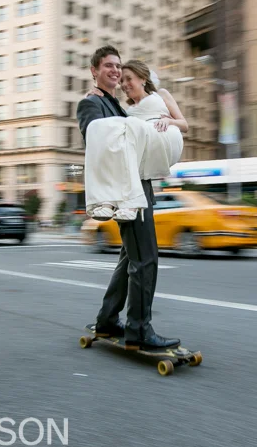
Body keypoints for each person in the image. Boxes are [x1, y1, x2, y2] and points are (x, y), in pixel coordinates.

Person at [76, 45, 181, 350]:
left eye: (118, 66)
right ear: (94, 71)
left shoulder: (120, 106)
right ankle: (138, 329)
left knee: (128, 259)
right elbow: (95, 138)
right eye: (108, 66)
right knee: (145, 258)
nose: (115, 71)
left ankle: (108, 318)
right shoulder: (91, 104)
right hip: (124, 192)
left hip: (137, 185)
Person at [83, 59, 188, 222]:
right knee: (97, 127)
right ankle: (106, 202)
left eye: (128, 78)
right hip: (142, 144)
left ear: (143, 79)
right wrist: (92, 95)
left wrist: (169, 121)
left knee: (127, 126)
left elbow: (184, 124)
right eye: (122, 81)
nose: (124, 84)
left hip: (166, 137)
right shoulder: (128, 111)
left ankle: (132, 205)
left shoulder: (160, 95)